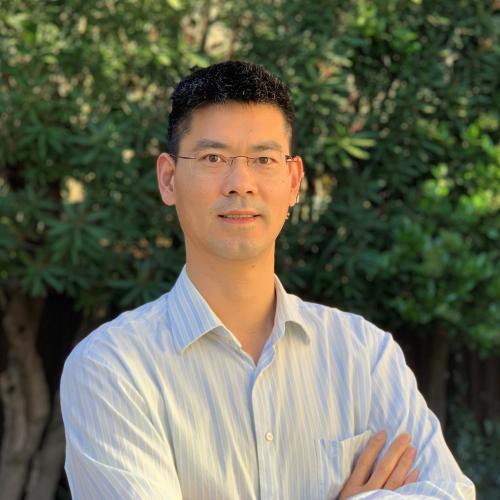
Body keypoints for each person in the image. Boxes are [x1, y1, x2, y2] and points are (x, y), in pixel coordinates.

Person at [60, 61, 475, 499]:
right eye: (213, 158)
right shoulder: (112, 368)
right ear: (168, 179)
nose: (240, 183)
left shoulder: (364, 356)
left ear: (293, 181)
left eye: (263, 159)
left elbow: (449, 492)